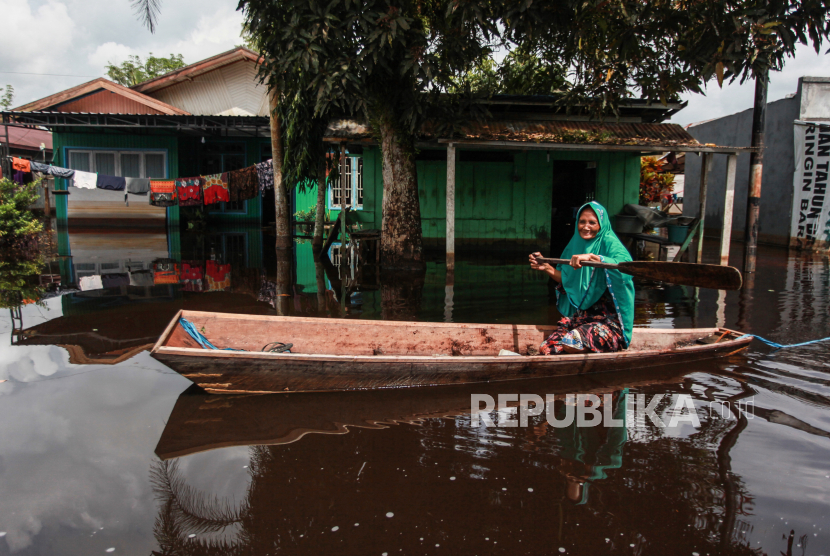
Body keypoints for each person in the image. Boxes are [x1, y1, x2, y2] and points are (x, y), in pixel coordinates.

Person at [529, 201, 635, 355]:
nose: (586, 227)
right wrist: (546, 267)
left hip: (608, 324)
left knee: (571, 342)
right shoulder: (574, 244)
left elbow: (626, 267)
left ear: (601, 225)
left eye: (592, 222)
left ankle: (602, 350)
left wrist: (596, 258)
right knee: (547, 348)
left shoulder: (610, 242)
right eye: (582, 222)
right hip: (582, 320)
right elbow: (568, 281)